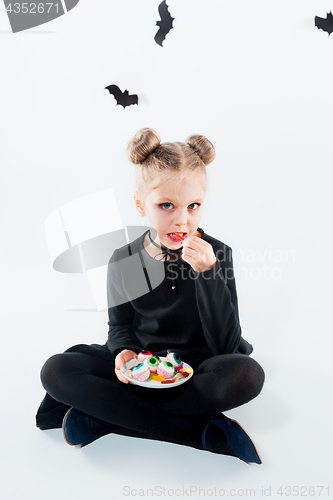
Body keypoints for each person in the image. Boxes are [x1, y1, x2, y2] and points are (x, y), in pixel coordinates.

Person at [36, 128, 265, 464]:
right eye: (166, 205)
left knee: (247, 375)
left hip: (196, 367)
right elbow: (119, 326)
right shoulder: (123, 259)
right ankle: (197, 433)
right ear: (140, 203)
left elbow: (225, 345)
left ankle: (104, 416)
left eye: (193, 206)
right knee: (56, 370)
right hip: (143, 365)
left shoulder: (217, 255)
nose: (181, 220)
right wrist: (124, 352)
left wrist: (208, 274)